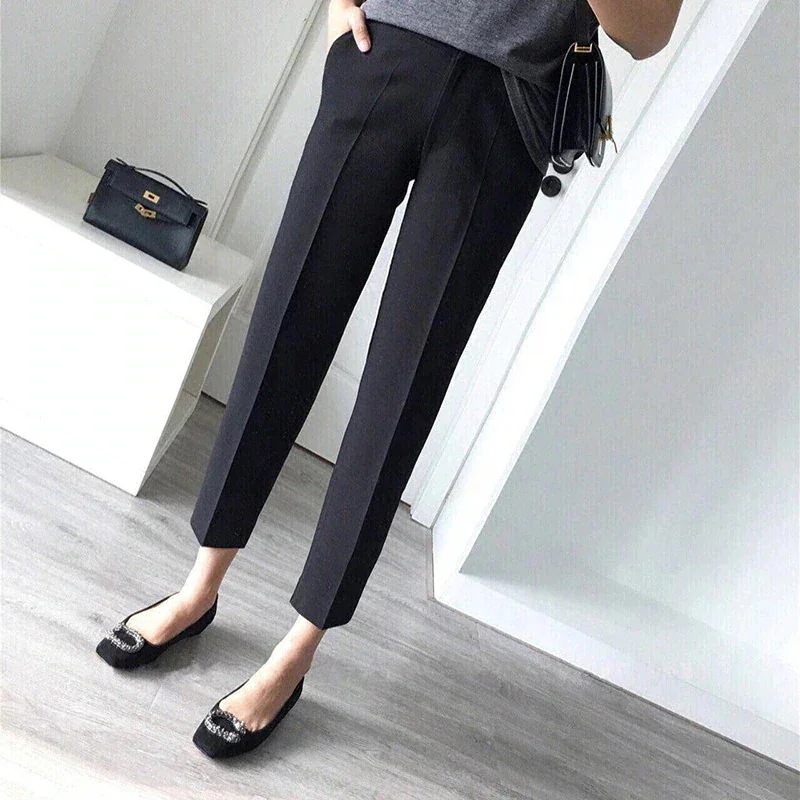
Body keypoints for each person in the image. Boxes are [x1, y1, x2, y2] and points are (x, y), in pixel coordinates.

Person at [95, 0, 683, 759]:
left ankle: (297, 649)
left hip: (505, 105)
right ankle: (198, 587)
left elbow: (648, 34)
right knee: (287, 327)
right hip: (384, 48)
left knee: (405, 381)